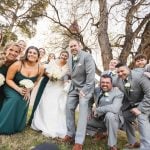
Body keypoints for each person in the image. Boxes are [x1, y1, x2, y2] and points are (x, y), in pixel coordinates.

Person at [0, 46, 44, 134]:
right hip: (11, 86)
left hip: (25, 89)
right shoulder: (18, 64)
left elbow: (36, 81)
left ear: (38, 56)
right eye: (30, 52)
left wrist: (29, 90)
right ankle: (3, 126)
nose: (32, 54)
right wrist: (18, 89)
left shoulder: (40, 68)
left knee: (24, 99)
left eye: (34, 53)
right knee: (15, 99)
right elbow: (8, 79)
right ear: (26, 54)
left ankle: (17, 126)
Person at [63, 39, 95, 150]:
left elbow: (91, 75)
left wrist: (85, 89)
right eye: (70, 46)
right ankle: (70, 134)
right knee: (68, 108)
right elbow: (68, 72)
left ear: (79, 46)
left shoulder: (87, 56)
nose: (73, 48)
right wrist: (66, 79)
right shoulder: (70, 58)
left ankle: (79, 141)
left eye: (74, 46)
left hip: (85, 89)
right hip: (73, 89)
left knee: (82, 113)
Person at [31, 50, 69, 138]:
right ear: (60, 55)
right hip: (51, 85)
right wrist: (51, 76)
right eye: (62, 55)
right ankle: (42, 123)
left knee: (57, 106)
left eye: (66, 55)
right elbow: (46, 71)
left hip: (60, 87)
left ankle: (55, 125)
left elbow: (68, 75)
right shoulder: (53, 61)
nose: (64, 56)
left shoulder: (68, 66)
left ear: (67, 57)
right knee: (46, 103)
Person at [114, 63, 150, 149]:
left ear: (128, 69)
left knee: (141, 118)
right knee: (125, 117)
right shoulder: (118, 79)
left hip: (146, 104)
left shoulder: (139, 76)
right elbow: (107, 83)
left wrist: (140, 109)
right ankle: (133, 142)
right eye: (118, 72)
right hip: (133, 106)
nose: (120, 74)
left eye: (122, 71)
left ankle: (146, 147)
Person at [87, 74, 124, 150]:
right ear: (100, 83)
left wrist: (98, 109)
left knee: (109, 115)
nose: (104, 84)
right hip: (99, 119)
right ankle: (99, 133)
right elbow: (89, 102)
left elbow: (115, 108)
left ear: (111, 83)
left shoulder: (118, 93)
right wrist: (89, 111)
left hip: (114, 120)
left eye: (107, 82)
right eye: (102, 82)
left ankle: (112, 145)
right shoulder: (96, 90)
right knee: (84, 119)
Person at [0, 43, 21, 109]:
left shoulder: (18, 64)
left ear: (18, 54)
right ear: (6, 50)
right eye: (11, 50)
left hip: (5, 92)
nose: (13, 53)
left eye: (16, 51)